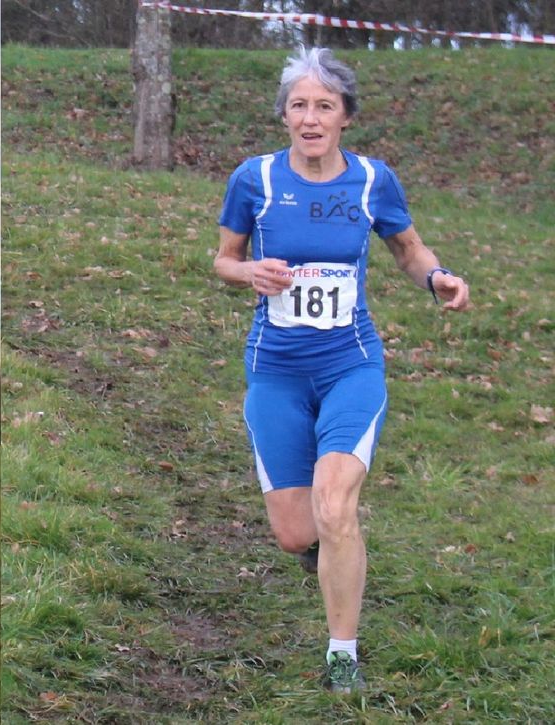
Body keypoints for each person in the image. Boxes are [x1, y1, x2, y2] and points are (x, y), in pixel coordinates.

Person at [213, 48, 469, 695]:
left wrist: (436, 278)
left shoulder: (372, 181)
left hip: (350, 364)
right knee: (296, 530)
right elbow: (224, 258)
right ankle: (327, 551)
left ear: (346, 115)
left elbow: (410, 250)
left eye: (324, 105)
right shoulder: (256, 180)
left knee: (335, 505)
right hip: (275, 370)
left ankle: (341, 658)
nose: (310, 117)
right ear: (284, 115)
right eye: (298, 104)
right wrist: (249, 272)